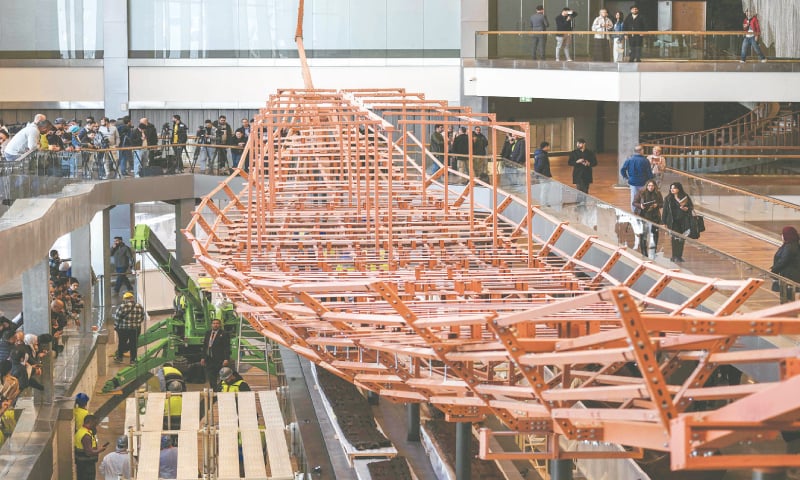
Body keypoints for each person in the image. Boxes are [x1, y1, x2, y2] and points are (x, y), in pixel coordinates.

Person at [661, 182, 694, 263]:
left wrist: (686, 209)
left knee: (681, 239)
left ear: (679, 189)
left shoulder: (684, 197)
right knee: (674, 239)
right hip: (672, 222)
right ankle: (674, 256)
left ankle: (679, 256)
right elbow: (665, 211)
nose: (672, 189)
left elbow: (691, 207)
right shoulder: (668, 198)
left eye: (674, 188)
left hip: (683, 221)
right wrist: (663, 222)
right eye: (671, 188)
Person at [113, 291, 145, 365]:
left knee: (121, 343)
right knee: (133, 344)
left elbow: (117, 318)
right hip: (135, 329)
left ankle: (119, 358)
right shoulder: (139, 306)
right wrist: (136, 323)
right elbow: (142, 318)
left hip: (123, 329)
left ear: (125, 299)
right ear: (132, 298)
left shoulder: (122, 306)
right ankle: (133, 360)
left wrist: (116, 326)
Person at [633, 180, 663, 256]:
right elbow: (634, 202)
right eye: (649, 185)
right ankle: (644, 253)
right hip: (643, 216)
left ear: (654, 186)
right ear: (646, 186)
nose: (650, 187)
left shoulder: (658, 193)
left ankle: (653, 251)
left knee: (655, 234)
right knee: (643, 235)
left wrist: (657, 205)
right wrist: (640, 206)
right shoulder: (641, 192)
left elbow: (662, 204)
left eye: (652, 186)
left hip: (654, 216)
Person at [620, 145, 654, 212]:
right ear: (641, 151)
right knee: (643, 197)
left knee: (634, 197)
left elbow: (622, 170)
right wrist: (651, 180)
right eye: (643, 150)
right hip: (643, 182)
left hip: (633, 182)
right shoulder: (645, 160)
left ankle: (634, 211)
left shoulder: (629, 159)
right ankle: (642, 211)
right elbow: (649, 172)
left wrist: (626, 177)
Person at [74, 414, 107, 480]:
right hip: (87, 465)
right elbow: (89, 452)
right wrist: (100, 450)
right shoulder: (86, 436)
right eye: (94, 423)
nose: (95, 425)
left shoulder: (81, 431)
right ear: (89, 422)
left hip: (81, 463)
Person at [201, 318, 230, 391]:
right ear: (211, 325)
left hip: (220, 359)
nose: (215, 325)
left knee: (221, 376)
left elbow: (226, 347)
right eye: (214, 323)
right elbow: (205, 346)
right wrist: (203, 357)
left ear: (220, 325)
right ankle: (214, 390)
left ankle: (221, 389)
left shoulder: (224, 334)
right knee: (211, 376)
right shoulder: (208, 333)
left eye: (217, 323)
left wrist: (226, 358)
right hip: (209, 359)